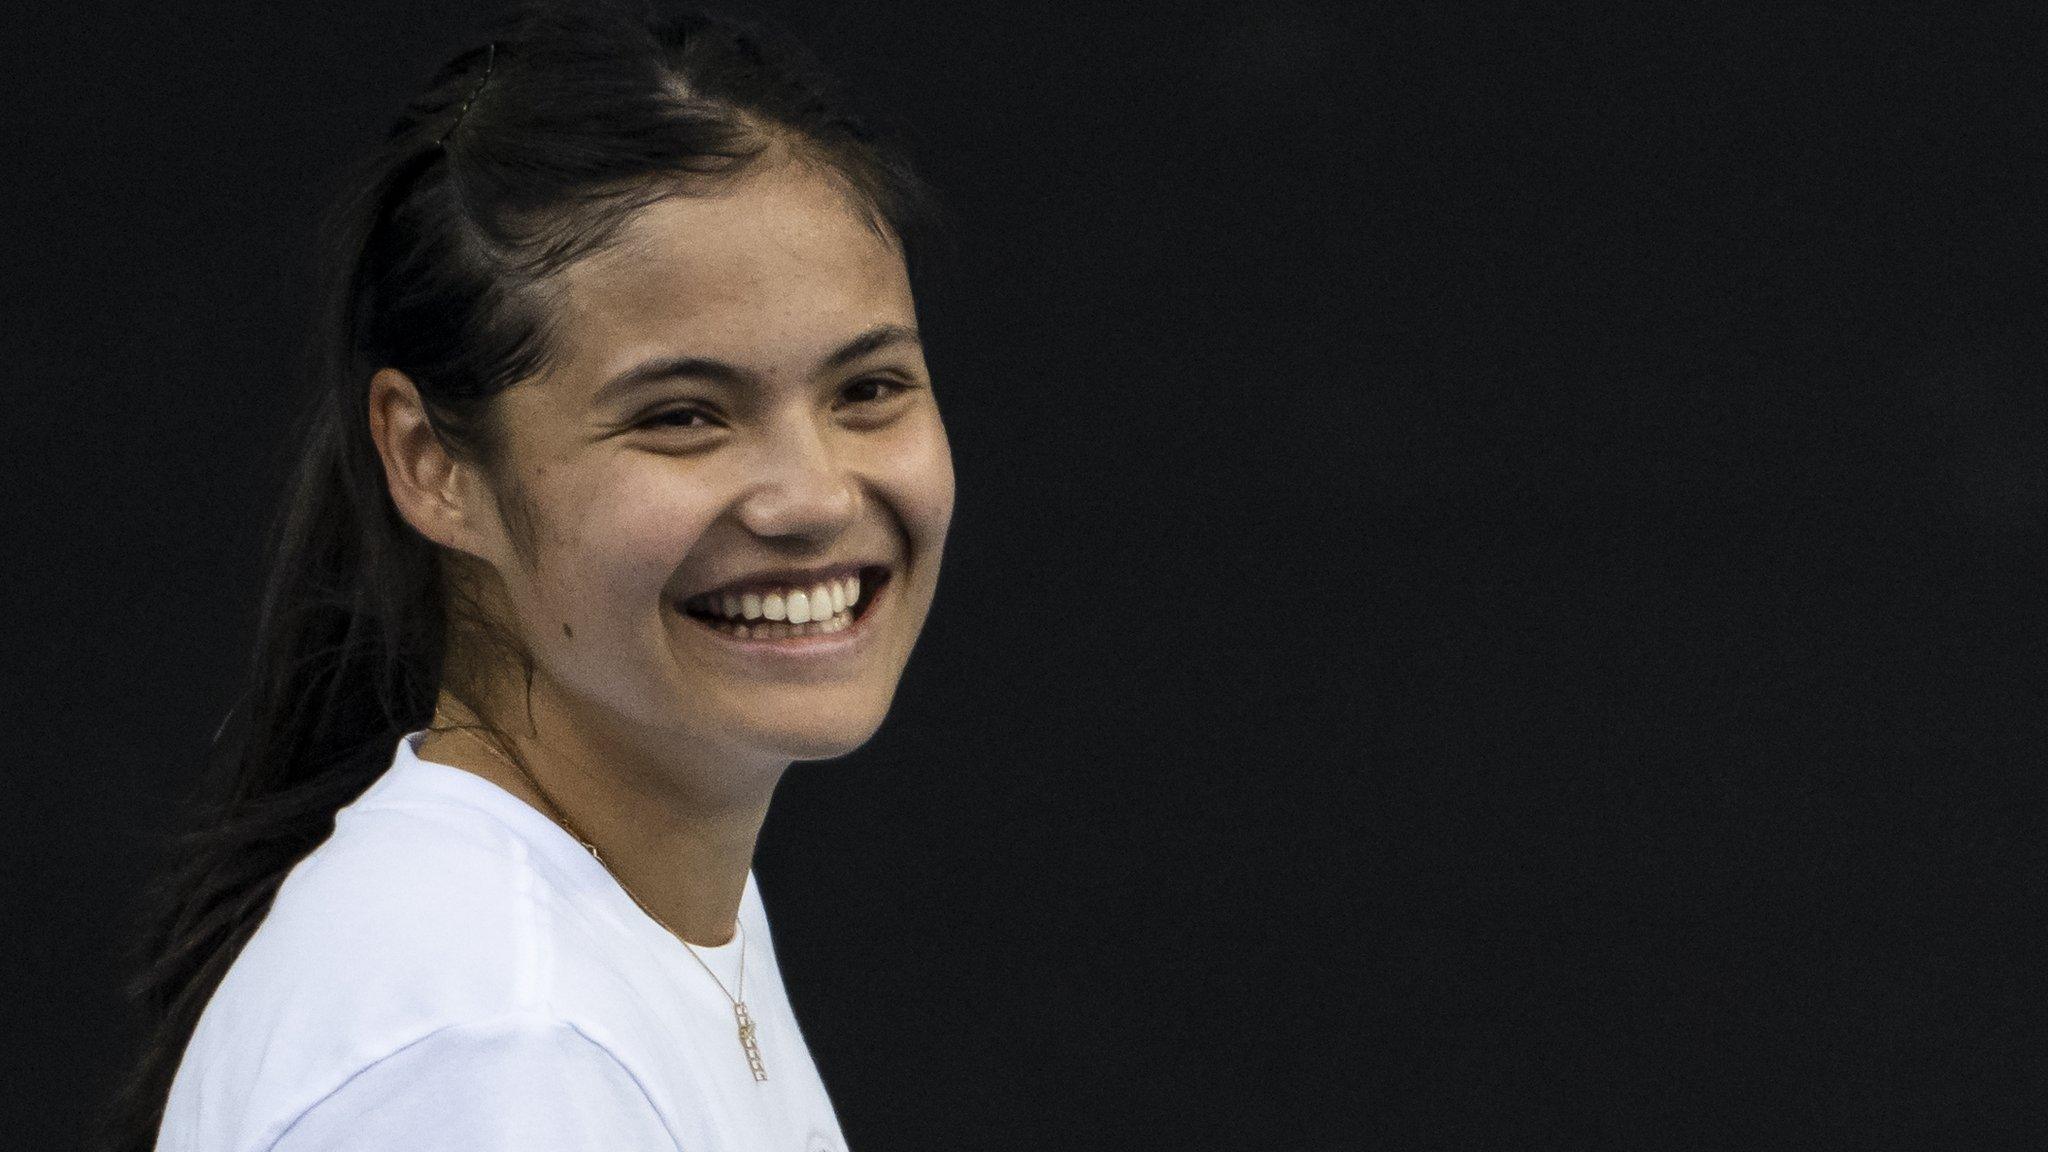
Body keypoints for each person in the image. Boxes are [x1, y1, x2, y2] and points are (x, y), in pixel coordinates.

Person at [93, 2, 954, 1149]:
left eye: (868, 391)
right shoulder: (502, 1045)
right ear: (429, 460)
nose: (812, 497)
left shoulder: (627, 922)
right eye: (682, 415)